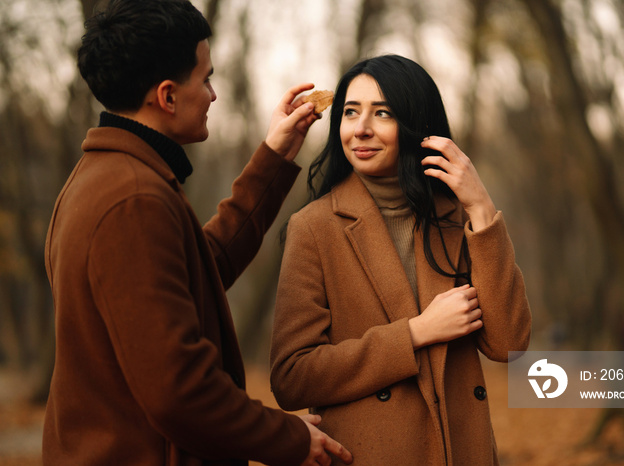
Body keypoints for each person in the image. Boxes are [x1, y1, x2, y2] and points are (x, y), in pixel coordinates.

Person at [43, 1, 353, 465]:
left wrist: (273, 155)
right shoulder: (133, 201)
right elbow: (178, 388)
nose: (213, 95)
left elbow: (198, 273)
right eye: (205, 79)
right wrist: (286, 438)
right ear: (167, 96)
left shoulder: (108, 176)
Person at [269, 54, 531, 465]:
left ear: (416, 125)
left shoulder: (453, 216)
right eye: (350, 112)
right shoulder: (315, 227)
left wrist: (481, 208)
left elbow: (509, 344)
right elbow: (292, 376)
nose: (361, 129)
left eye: (382, 113)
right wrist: (414, 333)